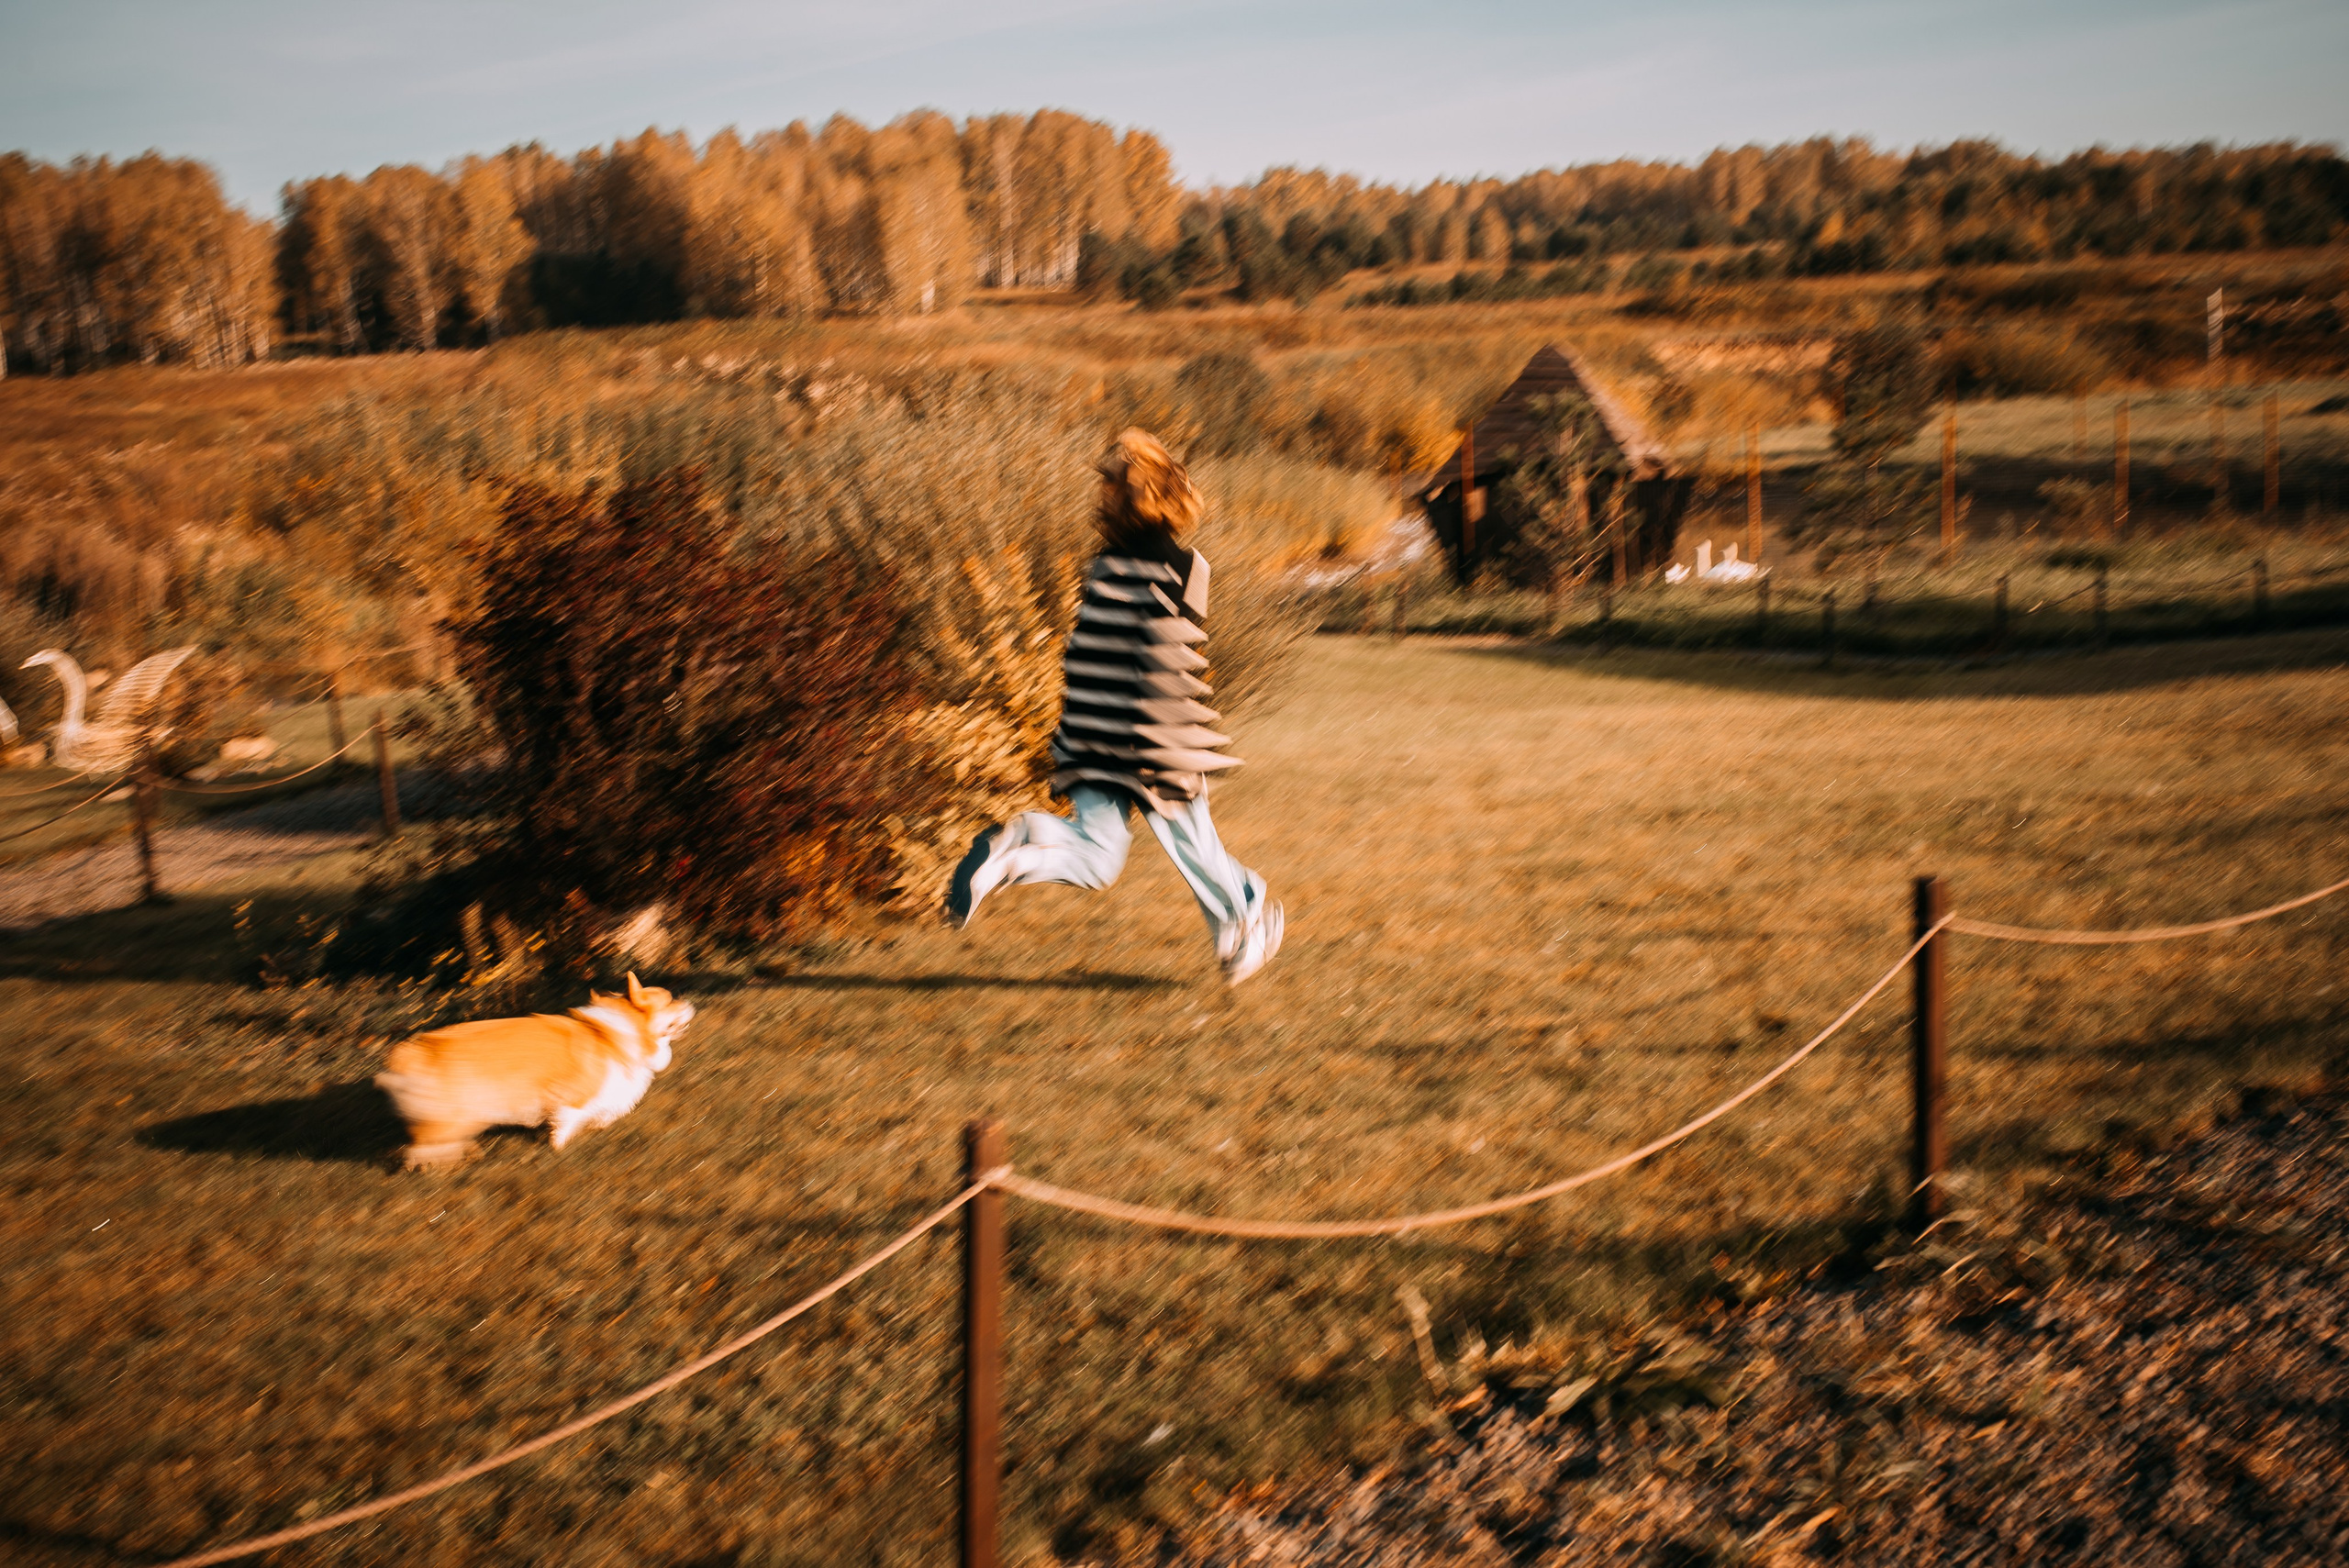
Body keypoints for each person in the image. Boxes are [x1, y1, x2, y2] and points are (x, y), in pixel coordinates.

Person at [946, 428, 1283, 984]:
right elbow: (1182, 645)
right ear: (1171, 493)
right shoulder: (1187, 566)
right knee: (1195, 845)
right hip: (1155, 739)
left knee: (1096, 858)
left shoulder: (1101, 567)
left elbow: (1094, 643)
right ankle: (1246, 919)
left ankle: (1017, 848)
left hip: (1088, 729)